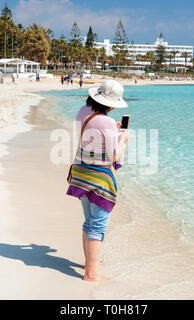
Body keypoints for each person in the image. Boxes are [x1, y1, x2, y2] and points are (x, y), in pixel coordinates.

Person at [66, 80, 130, 282]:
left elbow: (92, 135)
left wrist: (113, 129)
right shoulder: (107, 122)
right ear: (111, 104)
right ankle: (90, 274)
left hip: (81, 173)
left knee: (89, 221)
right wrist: (122, 140)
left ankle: (89, 264)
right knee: (98, 226)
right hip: (99, 178)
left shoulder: (83, 111)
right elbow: (113, 156)